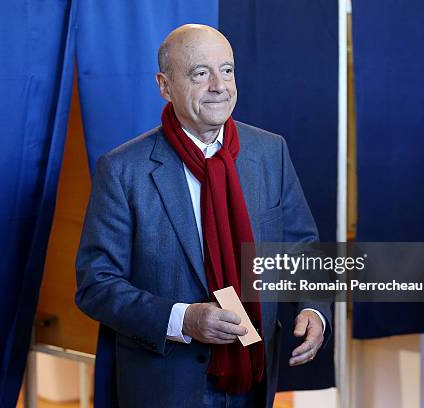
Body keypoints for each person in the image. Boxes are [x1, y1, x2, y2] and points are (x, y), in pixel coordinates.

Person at [75, 24, 331, 408]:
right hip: (165, 387)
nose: (219, 85)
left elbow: (301, 248)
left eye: (226, 70)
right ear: (165, 86)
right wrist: (183, 319)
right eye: (200, 73)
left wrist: (314, 308)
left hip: (253, 379)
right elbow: (96, 285)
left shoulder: (269, 152)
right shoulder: (122, 170)